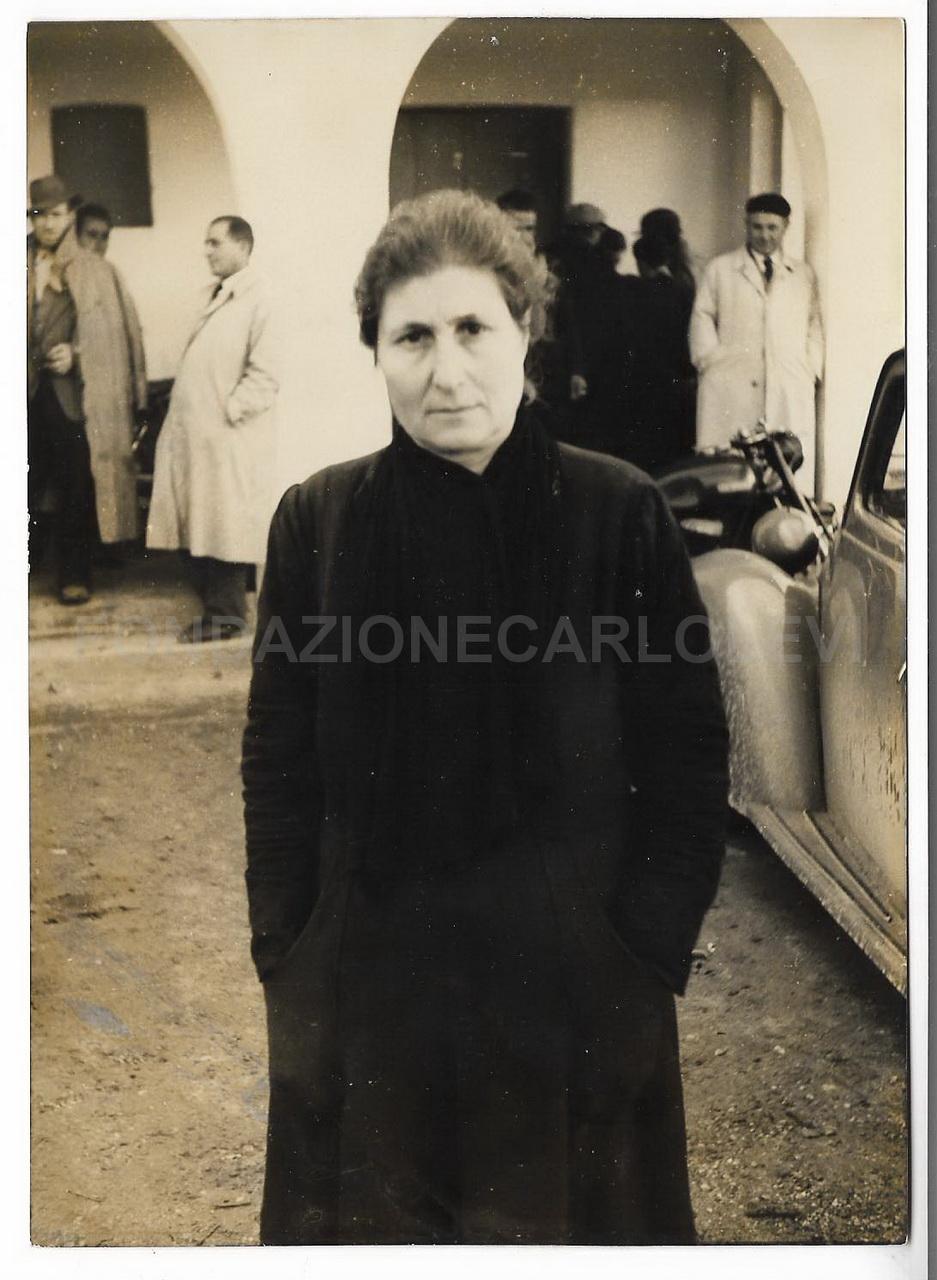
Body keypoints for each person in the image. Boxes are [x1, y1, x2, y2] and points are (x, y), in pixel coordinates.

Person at [242, 189, 729, 1245]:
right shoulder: (316, 521)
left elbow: (687, 758)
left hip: (573, 1002)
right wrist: (290, 950)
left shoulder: (619, 512)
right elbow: (278, 762)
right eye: (412, 336)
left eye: (473, 329)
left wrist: (640, 954)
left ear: (525, 332)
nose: (446, 369)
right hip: (370, 1001)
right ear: (375, 349)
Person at [147, 216, 278, 642]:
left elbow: (266, 374)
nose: (207, 251)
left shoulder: (261, 299)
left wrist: (229, 411)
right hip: (194, 433)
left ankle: (227, 616)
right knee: (197, 519)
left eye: (215, 243)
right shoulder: (212, 296)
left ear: (243, 246)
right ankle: (217, 607)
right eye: (206, 242)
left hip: (226, 436)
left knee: (224, 523)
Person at [27, 174, 148, 604]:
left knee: (74, 484)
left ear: (69, 216)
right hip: (24, 392)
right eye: (39, 215)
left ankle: (73, 576)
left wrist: (75, 354)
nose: (47, 223)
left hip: (70, 398)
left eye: (56, 215)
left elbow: (108, 333)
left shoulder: (94, 269)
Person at [689, 193, 824, 473]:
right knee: (732, 468)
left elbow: (813, 324)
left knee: (786, 468)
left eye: (772, 227)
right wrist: (710, 359)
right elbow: (702, 317)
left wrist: (810, 367)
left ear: (785, 227)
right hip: (731, 382)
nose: (764, 235)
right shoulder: (720, 269)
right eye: (757, 227)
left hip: (787, 381)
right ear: (747, 225)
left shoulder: (802, 275)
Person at [610, 234, 697, 470]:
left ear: (641, 262)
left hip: (645, 377)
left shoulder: (637, 291)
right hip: (679, 378)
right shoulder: (685, 289)